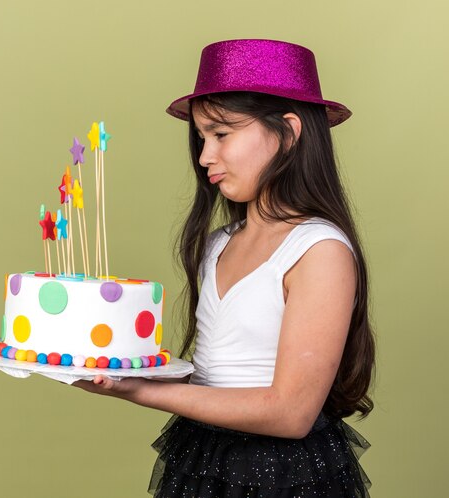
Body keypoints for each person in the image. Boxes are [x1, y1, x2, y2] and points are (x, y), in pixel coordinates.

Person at [73, 39, 375, 498]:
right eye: (201, 137)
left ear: (289, 133)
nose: (204, 156)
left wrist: (135, 390)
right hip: (204, 458)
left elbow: (290, 413)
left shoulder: (319, 251)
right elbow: (216, 377)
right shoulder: (218, 244)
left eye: (221, 134)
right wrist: (124, 364)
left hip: (282, 475)